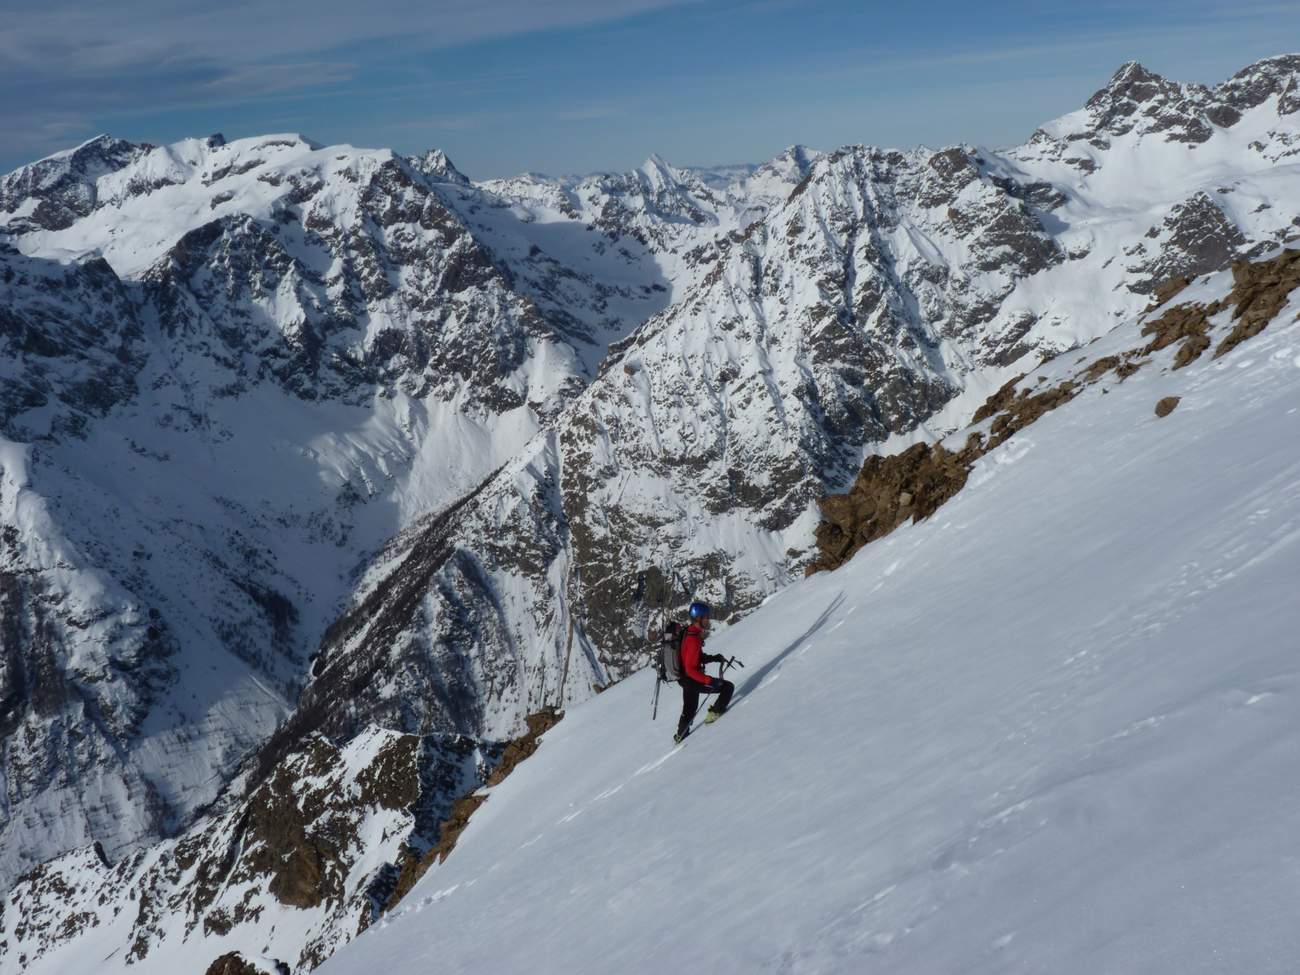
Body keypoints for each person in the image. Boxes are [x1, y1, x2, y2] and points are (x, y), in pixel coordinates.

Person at [675, 601, 734, 743]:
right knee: (727, 687)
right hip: (691, 678)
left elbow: (694, 658)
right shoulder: (694, 639)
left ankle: (680, 736)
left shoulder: (689, 632)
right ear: (698, 618)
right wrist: (708, 680)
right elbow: (691, 668)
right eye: (706, 617)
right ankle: (713, 716)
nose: (708, 620)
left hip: (683, 678)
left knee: (689, 708)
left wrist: (713, 658)